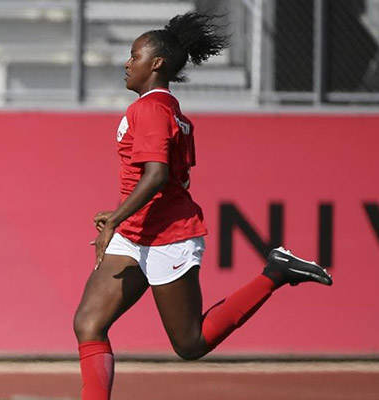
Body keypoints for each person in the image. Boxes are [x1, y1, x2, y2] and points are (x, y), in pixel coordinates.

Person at [73, 13, 333, 400]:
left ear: (156, 63)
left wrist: (114, 218)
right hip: (136, 233)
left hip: (167, 237)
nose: (128, 63)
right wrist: (122, 223)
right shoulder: (171, 111)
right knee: (88, 324)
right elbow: (181, 178)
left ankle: (275, 272)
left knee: (190, 344)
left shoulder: (150, 110)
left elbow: (158, 175)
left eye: (135, 55)